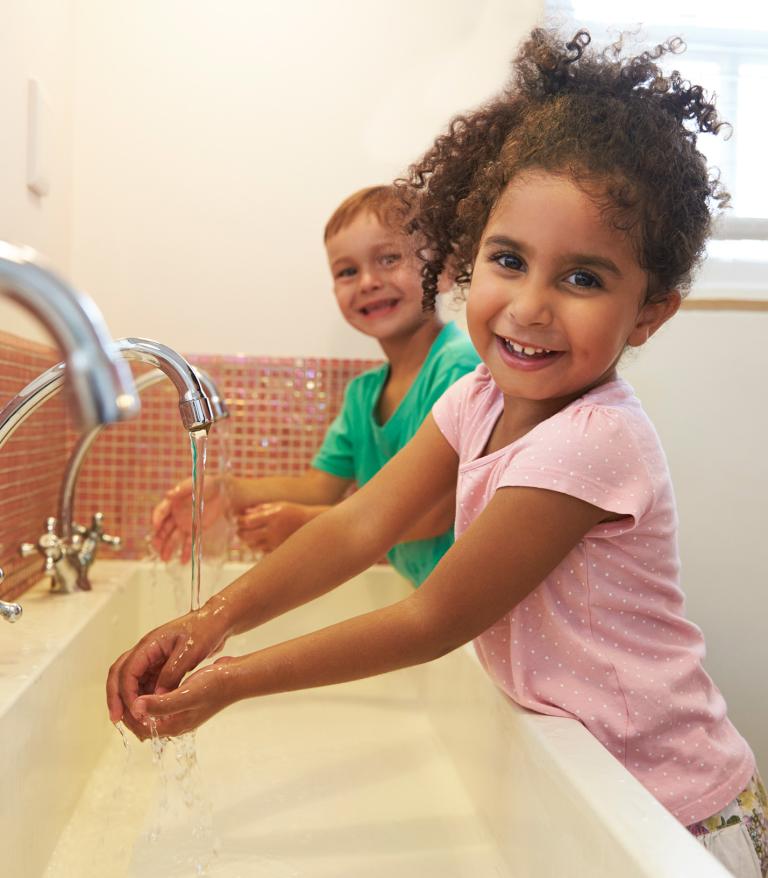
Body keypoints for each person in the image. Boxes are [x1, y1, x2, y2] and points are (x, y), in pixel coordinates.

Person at [109, 28, 766, 876]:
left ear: (649, 313)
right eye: (509, 259)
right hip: (590, 782)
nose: (529, 306)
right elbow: (357, 527)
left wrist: (232, 678)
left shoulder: (595, 444)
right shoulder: (476, 398)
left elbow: (434, 617)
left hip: (677, 813)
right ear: (466, 259)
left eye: (583, 278)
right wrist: (211, 619)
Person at [151, 185, 480, 586]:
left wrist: (307, 524)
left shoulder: (460, 368)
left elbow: (434, 512)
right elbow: (320, 486)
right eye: (347, 271)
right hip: (431, 597)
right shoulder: (363, 395)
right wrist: (227, 492)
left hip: (474, 600)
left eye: (389, 258)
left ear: (444, 271)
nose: (367, 281)